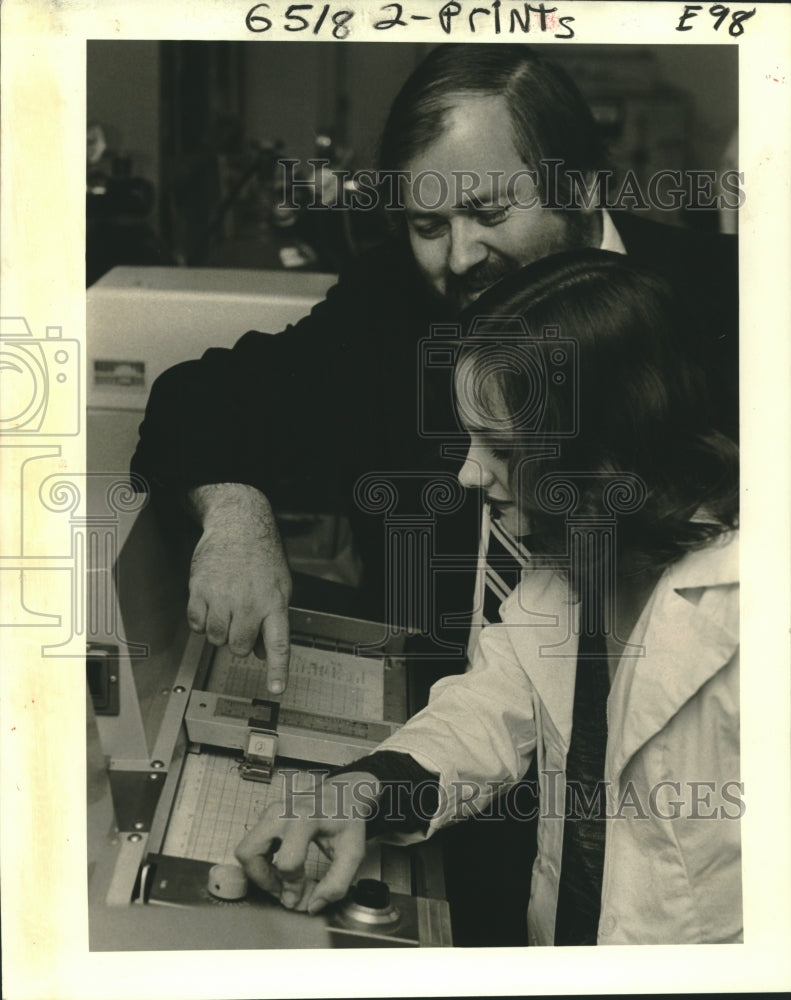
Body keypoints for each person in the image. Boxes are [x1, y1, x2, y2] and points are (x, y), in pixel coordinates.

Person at [132, 44, 738, 696]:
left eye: (488, 213)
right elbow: (196, 402)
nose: (459, 257)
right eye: (428, 223)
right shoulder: (390, 299)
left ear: (583, 187)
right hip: (435, 731)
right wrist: (235, 522)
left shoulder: (724, 300)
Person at [234, 250, 741, 946]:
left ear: (606, 450)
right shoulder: (572, 562)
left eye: (501, 447)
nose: (470, 473)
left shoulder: (749, 613)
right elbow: (492, 707)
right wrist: (361, 789)